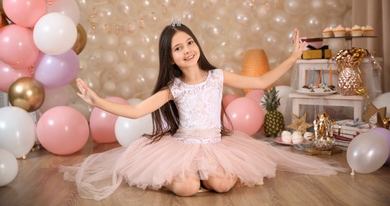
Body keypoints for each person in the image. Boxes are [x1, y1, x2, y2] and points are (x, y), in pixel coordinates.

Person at [60, 22, 346, 201]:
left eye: (189, 43)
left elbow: (261, 82)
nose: (187, 50)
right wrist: (97, 102)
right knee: (185, 189)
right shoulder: (174, 87)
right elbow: (137, 112)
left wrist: (294, 57)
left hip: (215, 144)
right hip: (183, 145)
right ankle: (185, 177)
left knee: (222, 185)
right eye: (177, 48)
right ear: (170, 59)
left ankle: (204, 176)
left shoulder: (217, 76)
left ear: (197, 45)